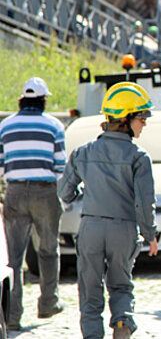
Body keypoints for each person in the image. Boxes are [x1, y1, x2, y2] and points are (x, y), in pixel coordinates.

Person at [58, 82, 159, 339]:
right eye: (141, 117)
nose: (145, 124)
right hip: (123, 229)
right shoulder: (139, 156)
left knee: (90, 292)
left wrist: (88, 194)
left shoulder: (83, 152)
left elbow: (63, 194)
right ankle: (123, 322)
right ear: (124, 120)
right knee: (121, 285)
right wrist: (150, 234)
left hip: (90, 228)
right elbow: (144, 202)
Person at [0, 78, 66, 331]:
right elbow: (60, 165)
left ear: (22, 99)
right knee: (48, 250)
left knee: (14, 259)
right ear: (43, 99)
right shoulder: (54, 125)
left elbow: (1, 162)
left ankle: (13, 316)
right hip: (44, 192)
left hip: (15, 192)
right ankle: (48, 302)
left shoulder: (5, 125)